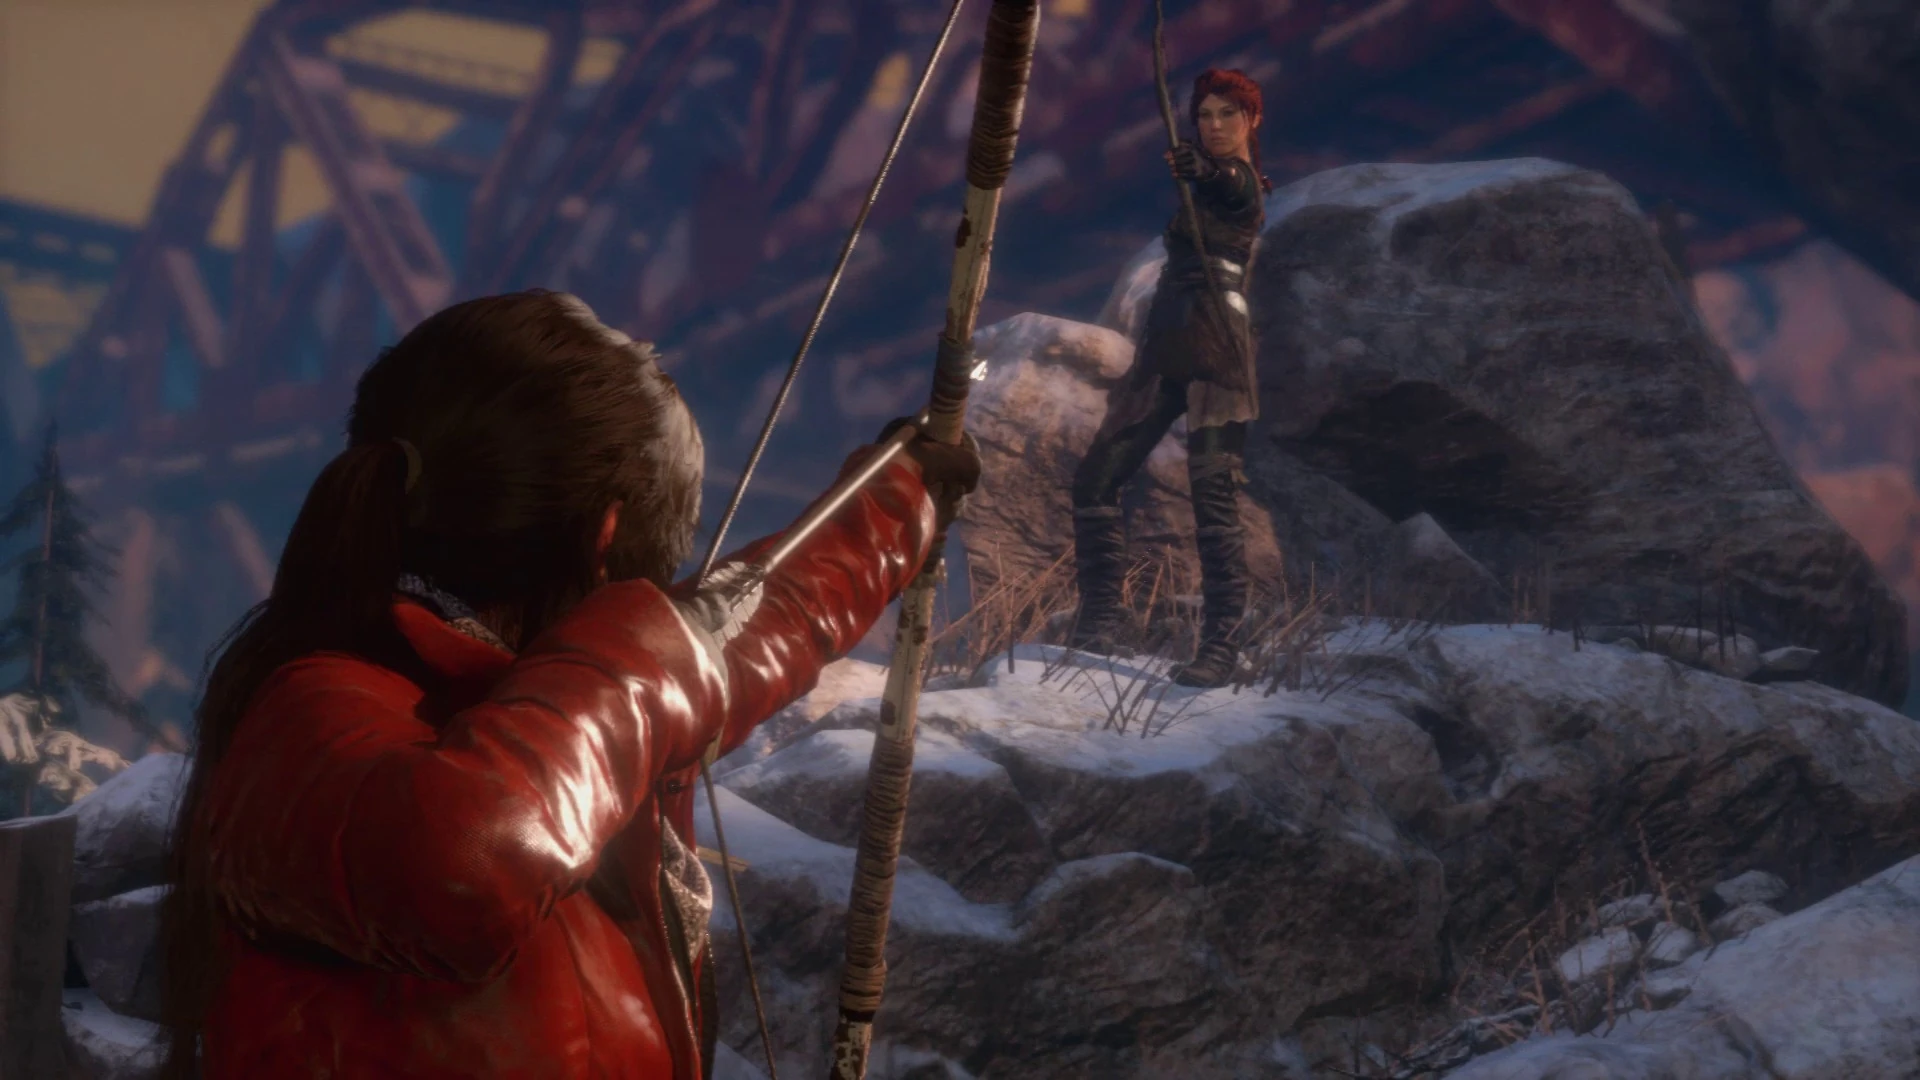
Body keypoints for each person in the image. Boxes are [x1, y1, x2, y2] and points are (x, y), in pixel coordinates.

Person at [155, 290, 979, 1079]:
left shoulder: (546, 711)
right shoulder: (309, 713)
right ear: (606, 537)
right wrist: (646, 656)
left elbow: (726, 639)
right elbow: (462, 866)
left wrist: (894, 505)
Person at [1070, 68, 1272, 688]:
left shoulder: (1241, 184)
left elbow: (1232, 183)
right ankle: (1101, 622)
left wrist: (1200, 169)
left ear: (1252, 121)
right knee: (1096, 479)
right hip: (1167, 341)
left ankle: (1221, 647)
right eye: (1205, 115)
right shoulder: (1209, 181)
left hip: (1216, 344)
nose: (1214, 125)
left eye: (1227, 114)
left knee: (1213, 497)